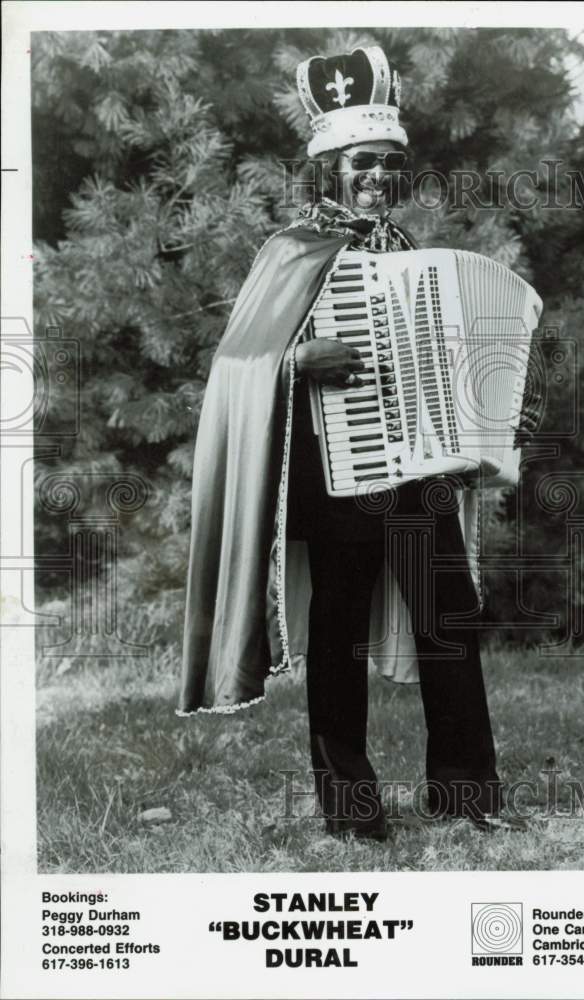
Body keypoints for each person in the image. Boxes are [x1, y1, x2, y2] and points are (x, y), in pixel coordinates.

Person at [179, 45, 520, 841]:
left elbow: (447, 364)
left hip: (421, 472)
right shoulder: (290, 251)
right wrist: (298, 360)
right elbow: (234, 367)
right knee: (336, 636)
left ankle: (467, 793)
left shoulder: (411, 254)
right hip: (341, 474)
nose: (378, 177)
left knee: (449, 623)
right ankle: (351, 809)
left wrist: (468, 437)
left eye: (391, 164)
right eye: (363, 162)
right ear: (329, 166)